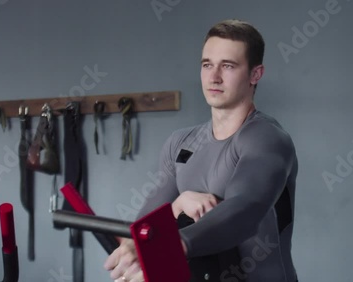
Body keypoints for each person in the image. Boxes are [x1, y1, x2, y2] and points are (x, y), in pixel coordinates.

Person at [104, 19, 299, 282]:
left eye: (228, 66)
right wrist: (178, 204)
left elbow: (245, 209)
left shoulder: (267, 138)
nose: (214, 77)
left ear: (255, 74)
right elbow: (147, 222)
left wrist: (169, 247)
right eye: (207, 65)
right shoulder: (181, 142)